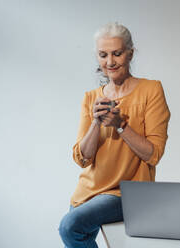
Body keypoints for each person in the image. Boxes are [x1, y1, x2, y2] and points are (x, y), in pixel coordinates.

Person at [58, 22, 170, 248]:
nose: (110, 62)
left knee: (70, 227)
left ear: (130, 53)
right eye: (103, 55)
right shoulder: (91, 98)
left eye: (117, 53)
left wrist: (121, 125)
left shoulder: (151, 90)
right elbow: (82, 158)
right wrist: (96, 124)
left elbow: (153, 154)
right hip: (87, 192)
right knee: (72, 231)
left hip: (126, 193)